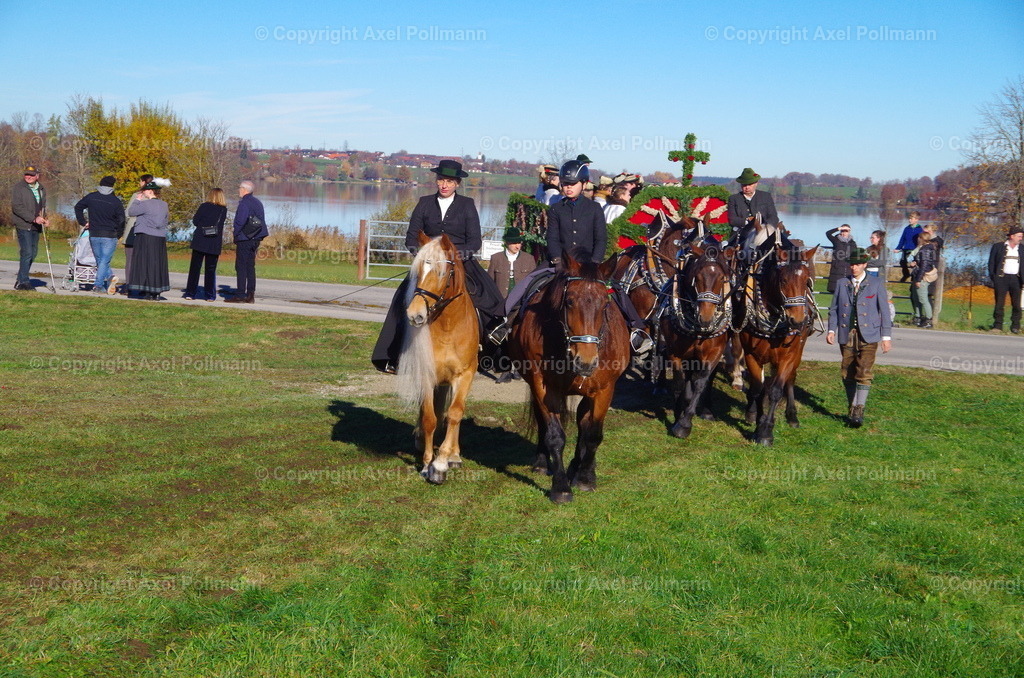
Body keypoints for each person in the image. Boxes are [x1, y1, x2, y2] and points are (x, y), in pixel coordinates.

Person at [372, 159, 506, 373]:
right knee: (401, 299)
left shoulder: (467, 204)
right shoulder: (424, 203)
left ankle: (494, 348)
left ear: (457, 184)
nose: (444, 185)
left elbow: (474, 240)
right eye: (441, 180)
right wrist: (425, 257)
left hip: (459, 261)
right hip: (429, 262)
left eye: (449, 181)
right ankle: (393, 357)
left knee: (490, 297)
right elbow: (411, 236)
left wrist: (455, 258)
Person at [826, 247, 892, 428]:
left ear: (864, 265)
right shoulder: (842, 283)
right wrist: (831, 330)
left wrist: (886, 336)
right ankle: (851, 405)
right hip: (846, 334)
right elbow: (834, 310)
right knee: (847, 371)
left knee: (864, 371)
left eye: (857, 264)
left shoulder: (876, 283)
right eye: (851, 264)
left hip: (869, 335)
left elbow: (884, 312)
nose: (853, 267)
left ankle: (859, 409)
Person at [74, 175, 125, 294]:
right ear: (112, 187)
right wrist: (119, 233)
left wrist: (83, 222)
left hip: (94, 233)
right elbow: (121, 219)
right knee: (104, 261)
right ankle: (98, 286)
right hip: (109, 234)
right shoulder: (115, 201)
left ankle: (110, 277)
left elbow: (78, 207)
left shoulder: (92, 197)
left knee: (100, 260)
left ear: (100, 184)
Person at [126, 178, 171, 300]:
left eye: (145, 190)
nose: (143, 193)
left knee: (145, 263)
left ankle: (147, 290)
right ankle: (156, 291)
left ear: (151, 191)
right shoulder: (164, 205)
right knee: (157, 264)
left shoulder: (144, 204)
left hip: (145, 236)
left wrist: (137, 200)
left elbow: (131, 212)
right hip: (159, 237)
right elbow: (165, 220)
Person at [226, 180, 268, 303]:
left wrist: (236, 235)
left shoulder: (244, 203)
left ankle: (240, 294)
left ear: (244, 189)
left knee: (241, 266)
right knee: (250, 266)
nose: (238, 190)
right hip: (256, 238)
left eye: (240, 188)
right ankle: (250, 295)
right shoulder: (257, 202)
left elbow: (239, 221)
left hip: (245, 238)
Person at [184, 188, 228, 301]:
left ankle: (190, 293)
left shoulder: (203, 206)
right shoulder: (223, 210)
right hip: (214, 242)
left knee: (195, 268)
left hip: (200, 240)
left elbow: (195, 221)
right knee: (210, 269)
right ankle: (209, 295)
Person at [11, 166, 49, 290]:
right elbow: (17, 207)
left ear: (37, 176)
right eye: (27, 174)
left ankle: (21, 279)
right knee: (26, 252)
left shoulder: (41, 188)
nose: (28, 177)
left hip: (36, 226)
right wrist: (33, 218)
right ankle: (23, 282)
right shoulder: (19, 188)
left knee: (33, 253)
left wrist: (44, 218)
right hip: (24, 224)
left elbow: (42, 207)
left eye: (32, 175)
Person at [987, 225, 1024, 333]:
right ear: (1012, 236)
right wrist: (994, 277)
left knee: (1017, 304)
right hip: (1001, 278)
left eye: (1021, 236)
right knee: (999, 303)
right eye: (1019, 236)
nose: (1021, 238)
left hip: (1016, 279)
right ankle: (998, 326)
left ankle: (1015, 326)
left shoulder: (1022, 249)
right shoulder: (998, 246)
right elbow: (991, 263)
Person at [120, 174, 153, 294]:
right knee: (144, 261)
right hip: (148, 232)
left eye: (140, 181)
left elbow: (128, 213)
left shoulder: (137, 196)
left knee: (130, 260)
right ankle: (142, 286)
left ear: (144, 182)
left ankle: (129, 285)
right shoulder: (155, 199)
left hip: (133, 232)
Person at [488, 226, 536, 299]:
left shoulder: (529, 259)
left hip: (521, 301)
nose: (517, 246)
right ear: (507, 243)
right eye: (514, 243)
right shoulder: (496, 258)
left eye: (519, 243)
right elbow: (489, 282)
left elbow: (533, 282)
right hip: (500, 300)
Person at [908, 230, 939, 328]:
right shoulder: (924, 248)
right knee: (916, 297)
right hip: (918, 275)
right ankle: (918, 317)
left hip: (922, 277)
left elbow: (924, 266)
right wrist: (915, 263)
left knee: (923, 299)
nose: (917, 239)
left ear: (922, 239)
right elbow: (922, 263)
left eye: (919, 237)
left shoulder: (925, 250)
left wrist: (918, 280)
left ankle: (928, 320)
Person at [825, 224, 858, 294]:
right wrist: (838, 228)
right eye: (842, 231)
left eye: (846, 231)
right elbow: (828, 233)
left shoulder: (853, 243)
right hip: (837, 270)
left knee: (847, 293)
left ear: (849, 232)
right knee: (836, 292)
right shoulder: (836, 240)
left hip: (848, 270)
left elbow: (855, 255)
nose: (844, 233)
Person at [894, 211, 922, 283]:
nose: (909, 220)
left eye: (911, 219)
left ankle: (914, 277)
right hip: (906, 248)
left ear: (916, 219)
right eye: (909, 218)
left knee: (916, 263)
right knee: (902, 262)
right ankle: (906, 275)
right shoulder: (907, 228)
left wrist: (918, 249)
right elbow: (902, 239)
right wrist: (898, 248)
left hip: (915, 249)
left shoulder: (920, 230)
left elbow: (921, 241)